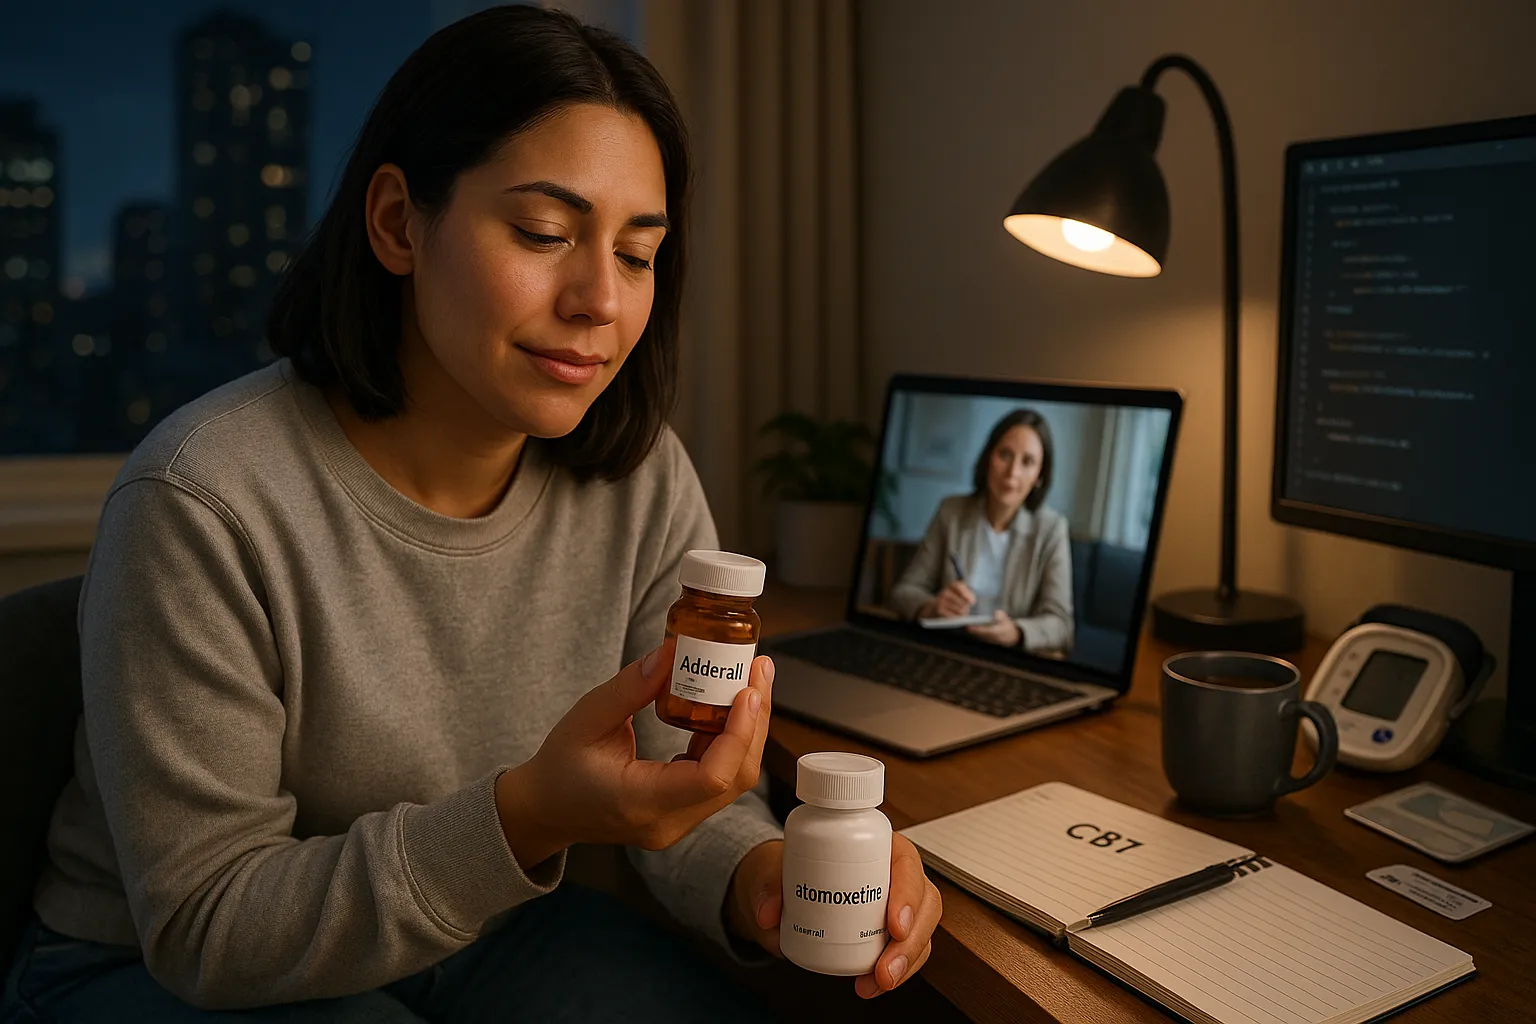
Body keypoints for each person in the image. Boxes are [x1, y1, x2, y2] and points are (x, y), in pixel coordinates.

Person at [0, 8, 941, 1022]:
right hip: (154, 964)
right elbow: (207, 923)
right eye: (544, 234)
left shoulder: (639, 479)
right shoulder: (204, 498)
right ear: (397, 223)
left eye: (637, 253)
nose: (599, 299)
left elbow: (677, 783)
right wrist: (522, 817)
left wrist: (765, 875)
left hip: (482, 929)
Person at [889, 408, 1074, 654]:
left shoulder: (1052, 529)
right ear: (988, 458)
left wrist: (1017, 632)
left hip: (1010, 659)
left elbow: (1062, 625)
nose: (1012, 473)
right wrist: (931, 608)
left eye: (1027, 462)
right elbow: (903, 592)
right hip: (948, 648)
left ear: (1039, 476)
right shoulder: (951, 512)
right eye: (1005, 455)